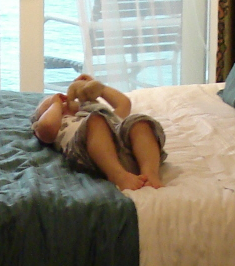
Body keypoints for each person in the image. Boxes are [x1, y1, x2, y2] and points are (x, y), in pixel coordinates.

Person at [31, 75, 166, 191]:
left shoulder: (102, 115)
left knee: (138, 122)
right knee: (95, 121)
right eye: (49, 106)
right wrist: (55, 103)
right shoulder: (60, 124)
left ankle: (150, 173)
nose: (64, 102)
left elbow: (124, 103)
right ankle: (117, 175)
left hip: (127, 149)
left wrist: (96, 87)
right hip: (89, 155)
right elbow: (47, 126)